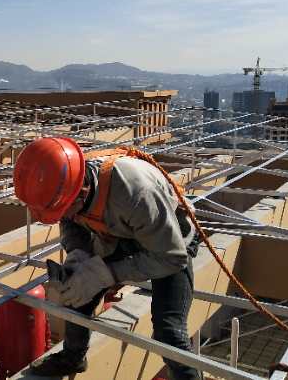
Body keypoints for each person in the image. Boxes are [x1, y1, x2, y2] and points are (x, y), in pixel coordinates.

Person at [13, 137, 201, 380]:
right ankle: (73, 358)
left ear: (81, 192)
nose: (64, 215)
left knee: (169, 331)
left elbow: (171, 257)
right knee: (76, 294)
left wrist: (106, 274)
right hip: (118, 232)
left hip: (169, 241)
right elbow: (71, 221)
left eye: (65, 209)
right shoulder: (66, 183)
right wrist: (78, 255)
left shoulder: (135, 192)